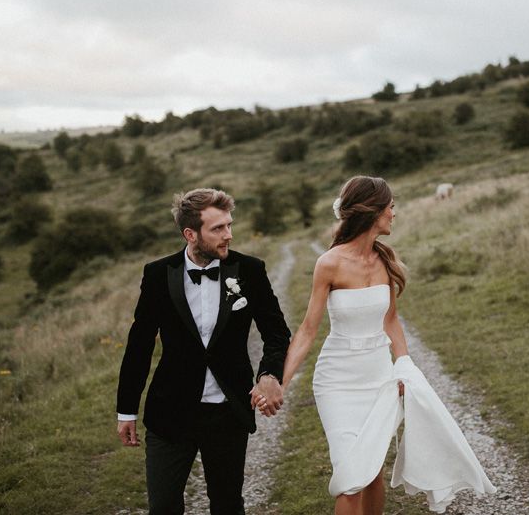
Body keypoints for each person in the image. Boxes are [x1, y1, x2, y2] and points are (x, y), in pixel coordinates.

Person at [272, 176, 496, 515]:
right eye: (390, 206)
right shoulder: (329, 263)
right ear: (372, 211)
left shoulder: (386, 259)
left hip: (379, 378)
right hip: (337, 381)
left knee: (373, 471)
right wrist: (281, 383)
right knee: (351, 478)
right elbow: (306, 330)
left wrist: (403, 366)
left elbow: (391, 321)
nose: (395, 212)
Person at [116, 188, 291, 515]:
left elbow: (277, 333)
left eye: (229, 225)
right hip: (169, 410)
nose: (229, 235)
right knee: (164, 506)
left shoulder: (249, 271)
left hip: (228, 412)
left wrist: (268, 374)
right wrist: (126, 410)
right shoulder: (158, 275)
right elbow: (139, 345)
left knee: (227, 505)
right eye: (218, 229)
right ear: (190, 234)